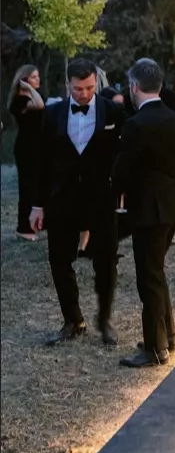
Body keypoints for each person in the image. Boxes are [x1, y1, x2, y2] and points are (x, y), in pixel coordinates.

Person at [30, 58, 125, 346]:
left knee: (106, 261)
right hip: (62, 199)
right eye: (77, 88)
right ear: (67, 85)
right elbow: (41, 162)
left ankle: (104, 320)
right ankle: (73, 320)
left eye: (89, 88)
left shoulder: (113, 112)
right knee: (59, 261)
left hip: (101, 199)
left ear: (97, 83)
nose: (83, 94)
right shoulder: (52, 113)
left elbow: (123, 155)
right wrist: (37, 204)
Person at [112, 59, 175, 368]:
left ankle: (155, 349)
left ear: (134, 87)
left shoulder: (135, 125)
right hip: (173, 205)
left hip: (148, 209)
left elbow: (122, 172)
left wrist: (117, 190)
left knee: (149, 278)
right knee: (156, 271)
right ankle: (166, 336)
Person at [8, 64, 45, 240]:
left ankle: (36, 223)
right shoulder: (19, 100)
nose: (38, 80)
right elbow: (40, 105)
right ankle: (23, 228)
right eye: (33, 77)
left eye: (38, 77)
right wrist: (29, 88)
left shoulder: (32, 96)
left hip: (37, 146)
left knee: (38, 185)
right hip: (26, 148)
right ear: (24, 80)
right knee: (27, 187)